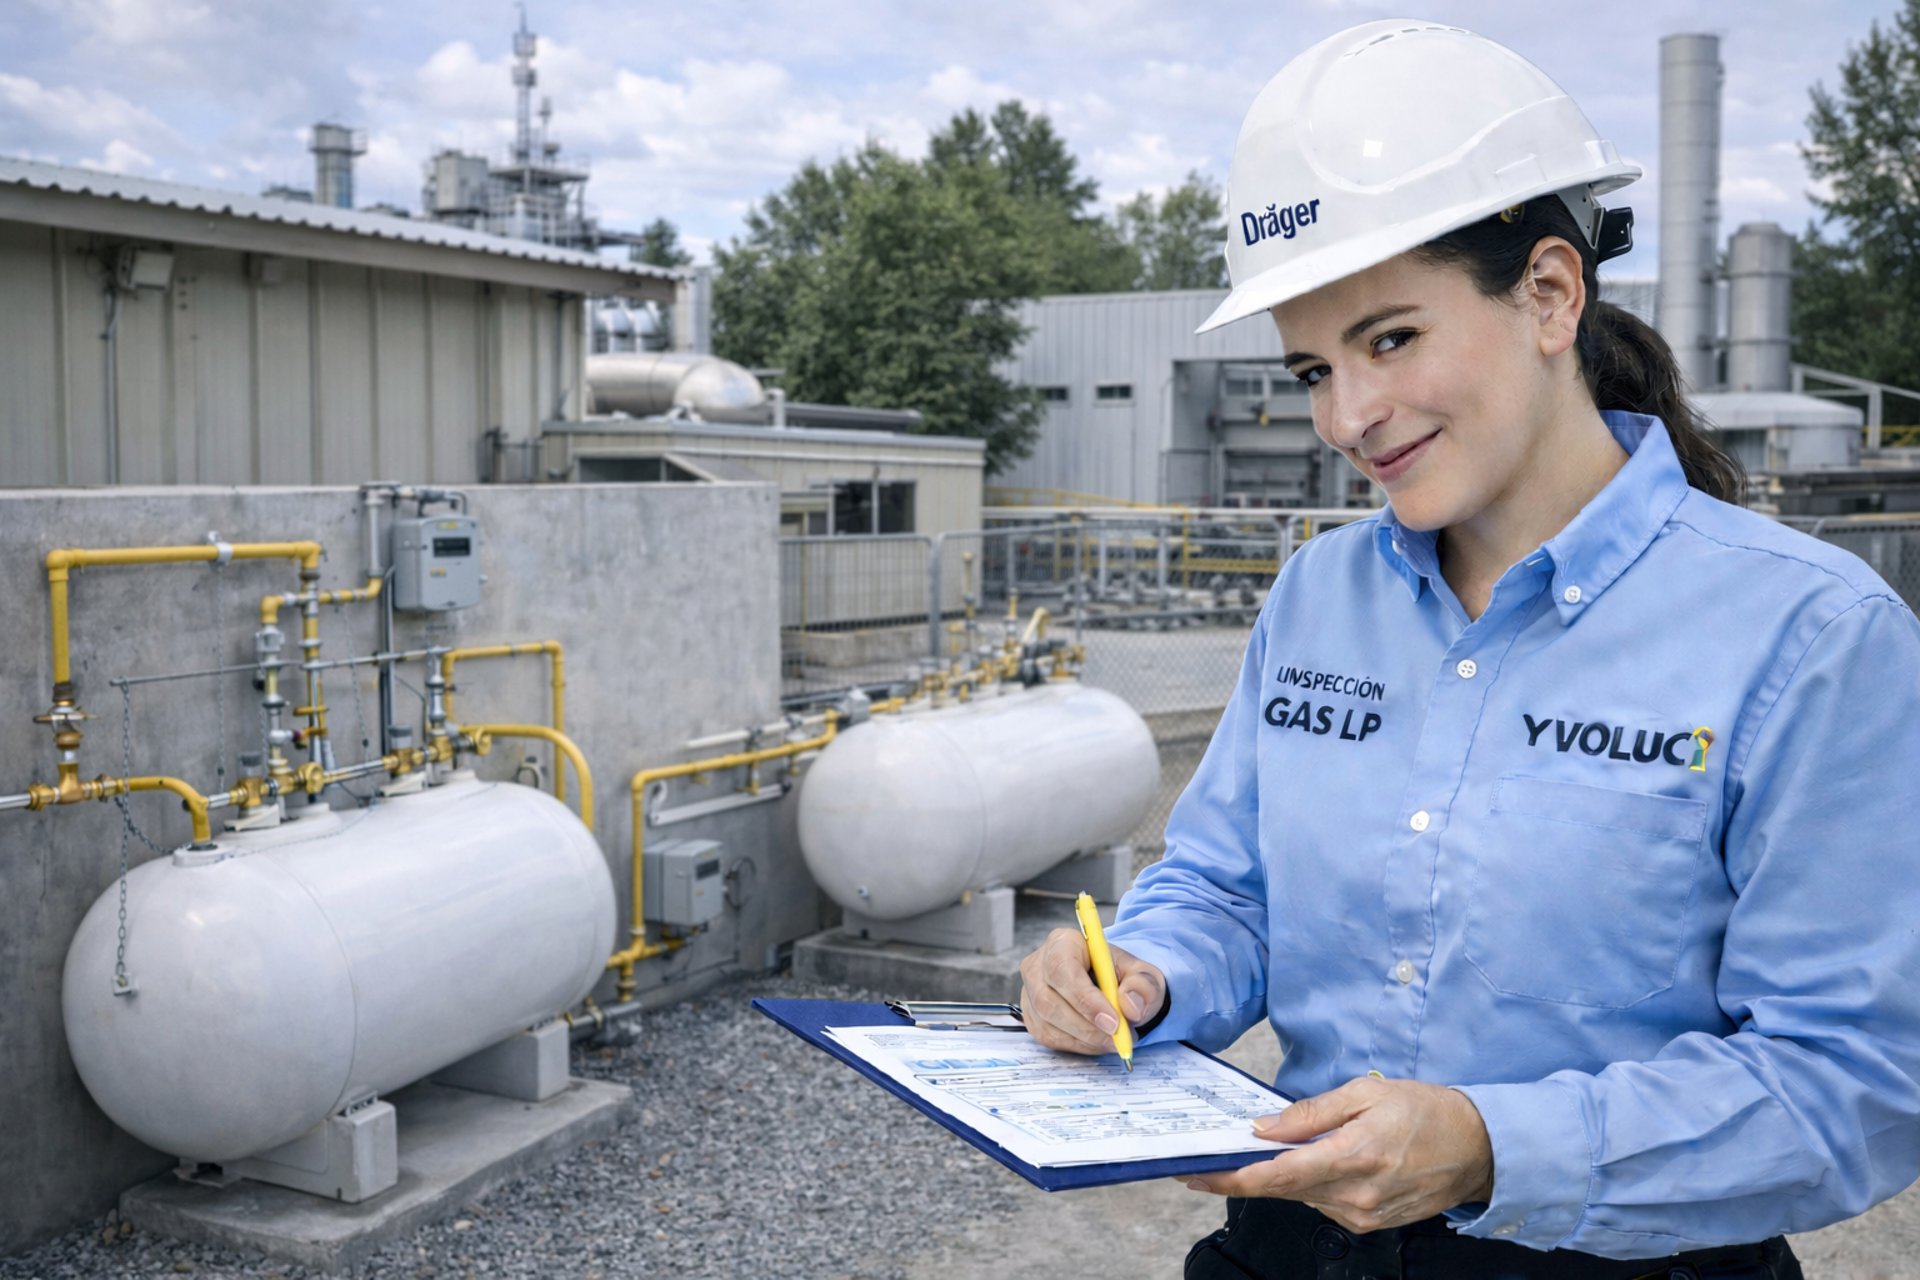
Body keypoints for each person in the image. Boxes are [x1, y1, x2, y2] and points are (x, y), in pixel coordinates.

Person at [1018, 18, 1920, 1279]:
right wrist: (1144, 974)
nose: (1349, 415)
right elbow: (1225, 886)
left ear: (1551, 292)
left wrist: (1496, 1145)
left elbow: (1856, 1083)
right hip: (1294, 1249)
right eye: (1312, 368)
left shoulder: (1810, 636)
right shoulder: (1320, 596)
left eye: (1390, 339)